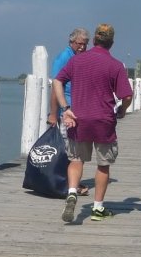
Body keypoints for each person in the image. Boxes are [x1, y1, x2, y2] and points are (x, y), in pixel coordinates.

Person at [52, 23, 133, 223]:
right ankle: (97, 209)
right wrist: (122, 110)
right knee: (103, 165)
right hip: (103, 121)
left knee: (76, 160)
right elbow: (127, 96)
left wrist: (65, 108)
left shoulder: (77, 60)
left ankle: (72, 192)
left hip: (78, 119)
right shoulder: (116, 65)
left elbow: (57, 81)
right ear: (111, 43)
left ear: (94, 40)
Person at [47, 27, 90, 195]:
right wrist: (52, 114)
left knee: (75, 148)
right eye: (80, 44)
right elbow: (55, 87)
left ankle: (71, 182)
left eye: (86, 44)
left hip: (77, 110)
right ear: (71, 42)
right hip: (66, 110)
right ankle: (71, 184)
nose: (83, 47)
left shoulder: (78, 57)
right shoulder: (64, 57)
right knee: (70, 149)